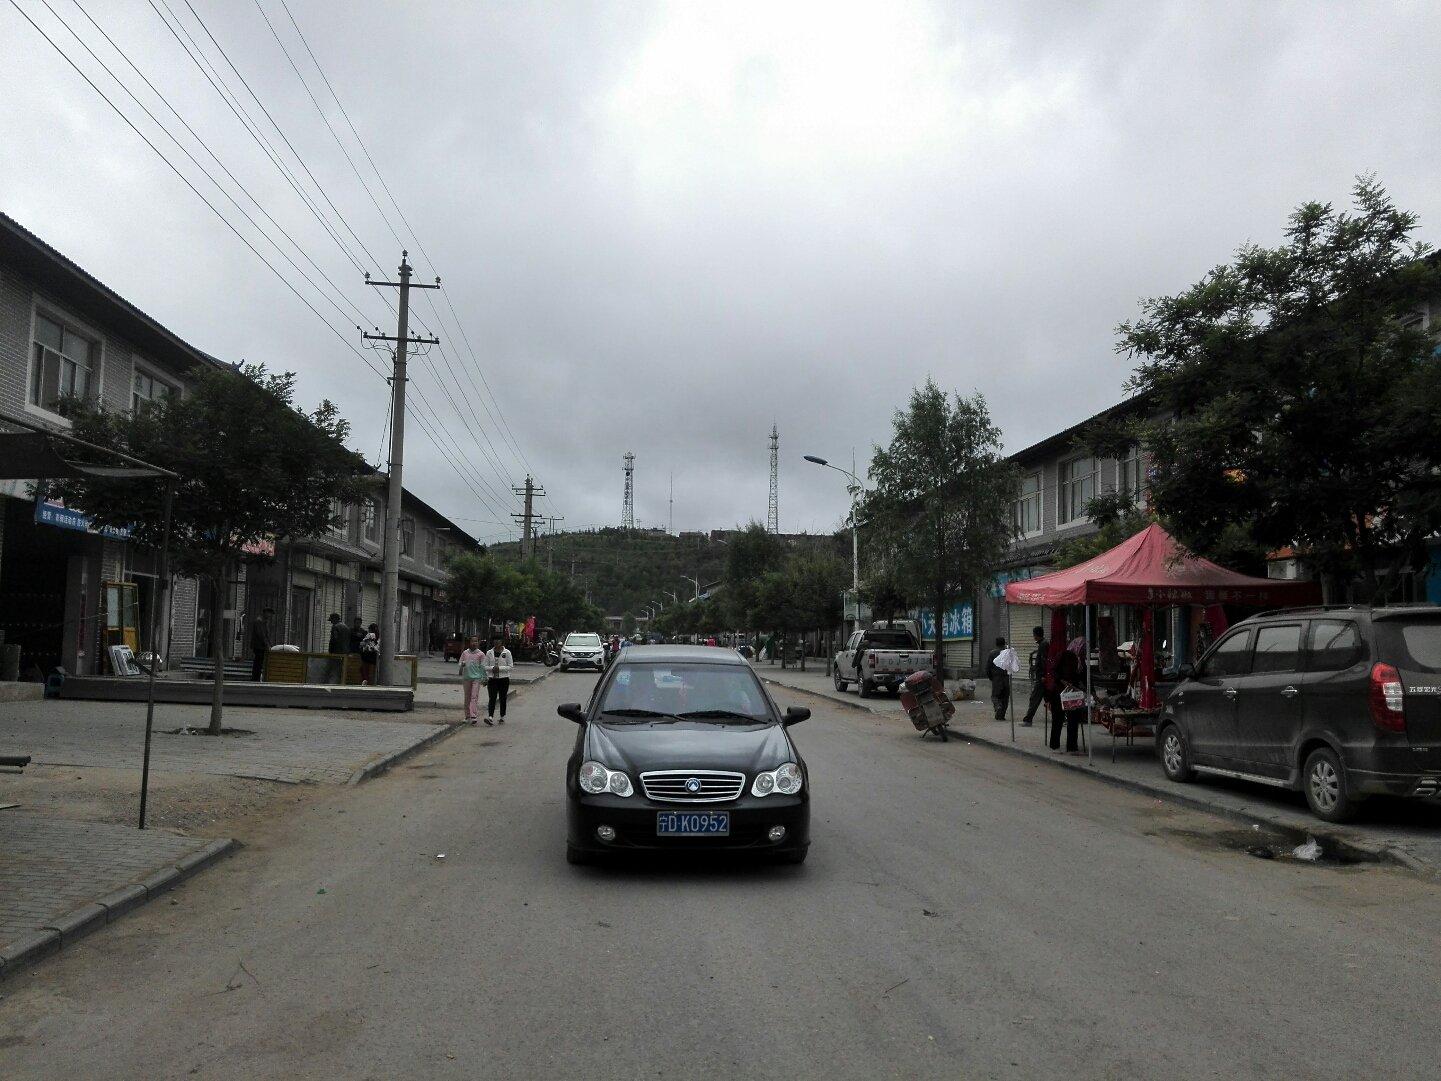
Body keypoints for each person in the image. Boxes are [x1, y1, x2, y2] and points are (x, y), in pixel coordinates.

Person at [1050, 637, 1087, 754]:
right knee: (1058, 719)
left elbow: (1083, 676)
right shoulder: (1063, 655)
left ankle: (1072, 746)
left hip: (1073, 692)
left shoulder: (1080, 660)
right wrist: (1062, 681)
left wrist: (1090, 690)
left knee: (1073, 719)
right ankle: (1054, 745)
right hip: (1059, 692)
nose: (1084, 651)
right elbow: (1054, 671)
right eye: (1082, 649)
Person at [1020, 626, 1049, 727]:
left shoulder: (1043, 645)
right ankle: (1061, 718)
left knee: (1034, 698)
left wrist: (1042, 675)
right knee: (1049, 699)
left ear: (1036, 635)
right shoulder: (1043, 644)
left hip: (1042, 678)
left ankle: (1028, 720)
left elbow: (1044, 661)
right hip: (1044, 677)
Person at [985, 636, 1019, 720]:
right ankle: (1001, 716)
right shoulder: (1009, 652)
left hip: (997, 678)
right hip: (1006, 677)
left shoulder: (992, 653)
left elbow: (988, 667)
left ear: (996, 644)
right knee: (1005, 697)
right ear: (1004, 643)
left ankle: (997, 706)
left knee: (995, 696)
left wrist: (991, 677)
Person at [483, 634, 514, 725]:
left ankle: (502, 716)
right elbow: (485, 666)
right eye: (495, 642)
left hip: (503, 679)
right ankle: (490, 717)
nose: (497, 643)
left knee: (502, 697)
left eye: (499, 641)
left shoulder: (507, 652)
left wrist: (499, 668)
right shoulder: (489, 653)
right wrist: (492, 668)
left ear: (501, 642)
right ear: (493, 642)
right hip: (492, 679)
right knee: (492, 697)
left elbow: (510, 666)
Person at [458, 635, 486, 723]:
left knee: (474, 696)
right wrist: (462, 665)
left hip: (476, 678)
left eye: (476, 641)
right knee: (467, 697)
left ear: (478, 642)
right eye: (472, 641)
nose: (474, 643)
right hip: (466, 678)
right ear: (469, 642)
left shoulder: (481, 654)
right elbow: (460, 663)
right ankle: (467, 716)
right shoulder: (465, 653)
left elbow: (483, 667)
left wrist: (484, 678)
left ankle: (473, 715)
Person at [249, 607, 273, 682]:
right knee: (258, 663)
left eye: (271, 614)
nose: (270, 615)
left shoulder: (264, 622)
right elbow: (261, 635)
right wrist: (267, 645)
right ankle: (255, 678)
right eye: (269, 613)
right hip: (258, 646)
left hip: (261, 646)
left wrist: (269, 644)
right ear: (265, 613)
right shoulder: (259, 621)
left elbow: (266, 635)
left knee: (259, 663)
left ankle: (256, 678)